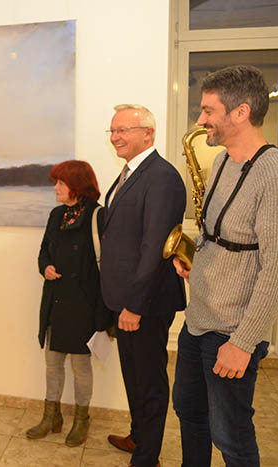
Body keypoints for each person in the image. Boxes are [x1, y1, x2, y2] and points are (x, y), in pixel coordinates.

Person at [172, 65, 278, 467]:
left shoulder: (276, 173)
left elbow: (277, 271)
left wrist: (242, 344)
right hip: (197, 319)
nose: (200, 119)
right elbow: (217, 232)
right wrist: (192, 257)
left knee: (231, 436)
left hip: (231, 330)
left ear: (240, 112)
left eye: (208, 110)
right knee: (189, 411)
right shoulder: (222, 161)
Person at [100, 104, 186, 467]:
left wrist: (135, 305)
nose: (116, 136)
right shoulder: (130, 173)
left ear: (147, 134)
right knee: (132, 376)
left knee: (149, 382)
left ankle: (147, 457)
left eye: (124, 130)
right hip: (125, 299)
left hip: (146, 304)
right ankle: (139, 437)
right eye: (113, 130)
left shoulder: (161, 177)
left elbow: (154, 247)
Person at [28, 160, 112, 446]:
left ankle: (81, 420)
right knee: (52, 363)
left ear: (76, 186)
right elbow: (43, 252)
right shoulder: (56, 216)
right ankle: (51, 416)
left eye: (60, 183)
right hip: (55, 300)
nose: (55, 188)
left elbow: (109, 264)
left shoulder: (97, 216)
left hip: (84, 305)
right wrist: (46, 267)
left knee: (80, 366)